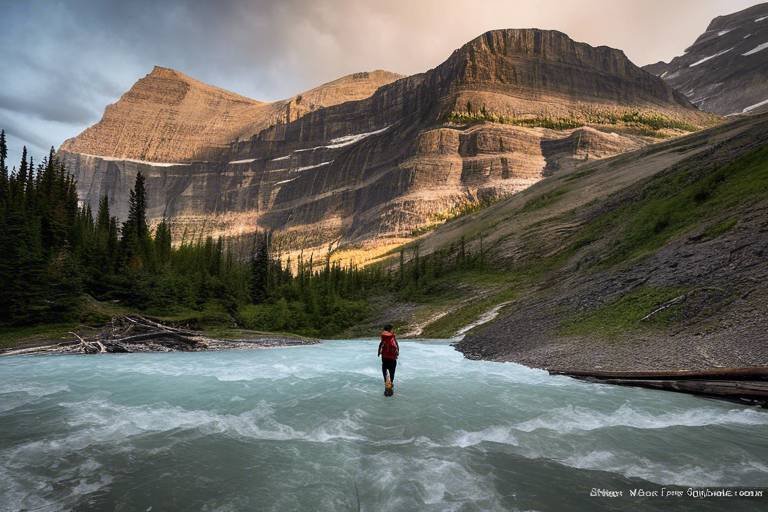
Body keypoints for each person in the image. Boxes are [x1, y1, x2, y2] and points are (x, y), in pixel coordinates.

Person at [378, 324, 399, 396]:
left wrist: (378, 352)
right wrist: (397, 353)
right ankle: (391, 386)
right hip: (392, 358)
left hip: (385, 357)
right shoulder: (392, 336)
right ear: (390, 329)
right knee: (392, 372)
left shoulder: (383, 336)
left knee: (385, 371)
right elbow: (396, 345)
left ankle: (386, 386)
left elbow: (380, 344)